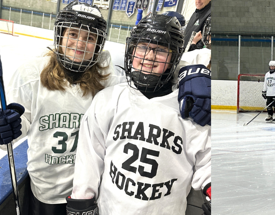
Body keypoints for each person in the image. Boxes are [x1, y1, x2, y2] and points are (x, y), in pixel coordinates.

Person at [68, 13, 211, 215]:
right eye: (143, 47)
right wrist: (82, 201)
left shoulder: (188, 107)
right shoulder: (108, 100)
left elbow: (207, 161)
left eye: (160, 50)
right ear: (131, 49)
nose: (149, 57)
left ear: (173, 58)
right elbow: (90, 160)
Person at [0, 3, 121, 214]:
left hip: (89, 192)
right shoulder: (30, 74)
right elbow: (17, 129)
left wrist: (188, 75)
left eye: (90, 38)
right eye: (73, 34)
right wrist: (6, 129)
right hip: (45, 191)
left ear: (99, 43)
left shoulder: (110, 82)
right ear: (60, 35)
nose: (80, 43)